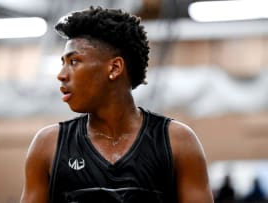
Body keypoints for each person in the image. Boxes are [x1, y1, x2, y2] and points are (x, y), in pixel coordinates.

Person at [20, 6, 213, 203]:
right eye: (63, 63)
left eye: (74, 61)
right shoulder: (47, 145)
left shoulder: (177, 141)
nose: (61, 74)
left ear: (114, 68)